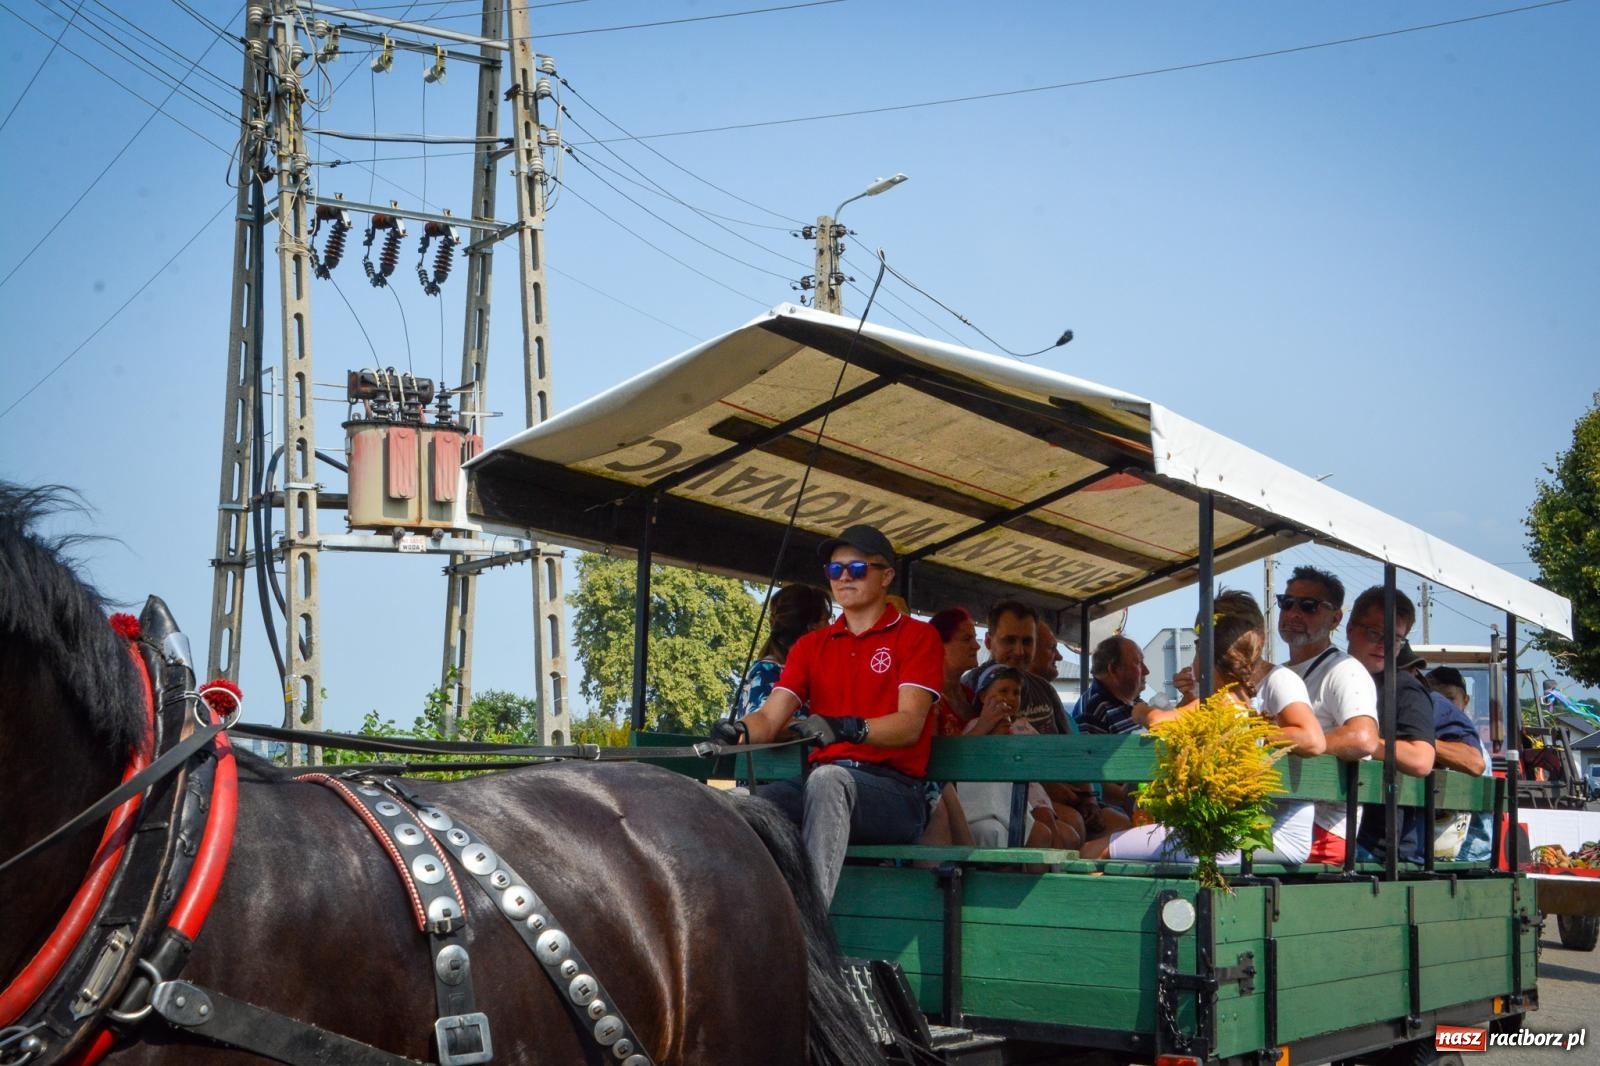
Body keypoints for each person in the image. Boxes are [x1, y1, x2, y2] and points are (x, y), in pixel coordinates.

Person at [709, 524, 944, 902]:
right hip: (824, 787)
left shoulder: (918, 637)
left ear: (886, 576)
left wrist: (849, 728)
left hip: (895, 795)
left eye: (857, 568)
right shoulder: (811, 647)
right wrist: (734, 732)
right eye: (835, 570)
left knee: (827, 780)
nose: (844, 577)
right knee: (733, 804)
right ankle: (736, 920)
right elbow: (769, 720)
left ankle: (810, 927)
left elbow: (909, 725)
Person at [1083, 590, 1325, 864]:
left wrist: (1140, 710)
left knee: (1091, 850)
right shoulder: (1243, 699)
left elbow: (1160, 723)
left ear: (1206, 651)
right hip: (1250, 831)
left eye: (1197, 646)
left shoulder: (1228, 701)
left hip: (1246, 835)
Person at [966, 600, 1128, 839]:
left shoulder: (1043, 688)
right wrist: (1055, 789)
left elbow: (1073, 749)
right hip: (1014, 795)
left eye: (1027, 642)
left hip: (1066, 793)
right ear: (989, 642)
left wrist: (1090, 799)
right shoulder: (976, 686)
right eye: (1009, 640)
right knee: (1072, 826)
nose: (1019, 651)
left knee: (1119, 824)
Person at [1276, 565, 1378, 863]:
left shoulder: (1343, 671)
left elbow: (1362, 738)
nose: (1294, 613)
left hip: (1320, 829)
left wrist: (1287, 742)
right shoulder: (1281, 673)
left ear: (1335, 618)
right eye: (1287, 602)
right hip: (1285, 817)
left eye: (1309, 606)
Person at [1343, 586, 1436, 866]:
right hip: (1334, 825)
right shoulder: (1332, 674)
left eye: (1395, 639)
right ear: (1349, 629)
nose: (1384, 645)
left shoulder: (1405, 689)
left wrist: (1363, 741)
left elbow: (1421, 759)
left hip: (1377, 844)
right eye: (1374, 634)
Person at [955, 664, 1080, 851]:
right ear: (982, 696)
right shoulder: (976, 726)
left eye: (1016, 692)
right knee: (1037, 828)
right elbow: (965, 757)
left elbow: (1042, 758)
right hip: (999, 796)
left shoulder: (1023, 727)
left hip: (1031, 789)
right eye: (1003, 691)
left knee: (1048, 822)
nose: (1011, 697)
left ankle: (1054, 870)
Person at [1421, 662, 1493, 861]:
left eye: (1450, 698)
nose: (1443, 705)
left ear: (1465, 700)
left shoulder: (1470, 749)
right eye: (1435, 700)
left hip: (1469, 850)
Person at [732, 583, 833, 721]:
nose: (831, 627)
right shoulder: (767, 672)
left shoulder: (816, 674)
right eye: (825, 621)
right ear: (811, 629)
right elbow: (761, 725)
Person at [1074, 635, 1153, 735]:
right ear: (1113, 669)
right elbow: (1091, 750)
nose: (1146, 671)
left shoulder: (1133, 701)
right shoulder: (1093, 711)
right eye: (1138, 663)